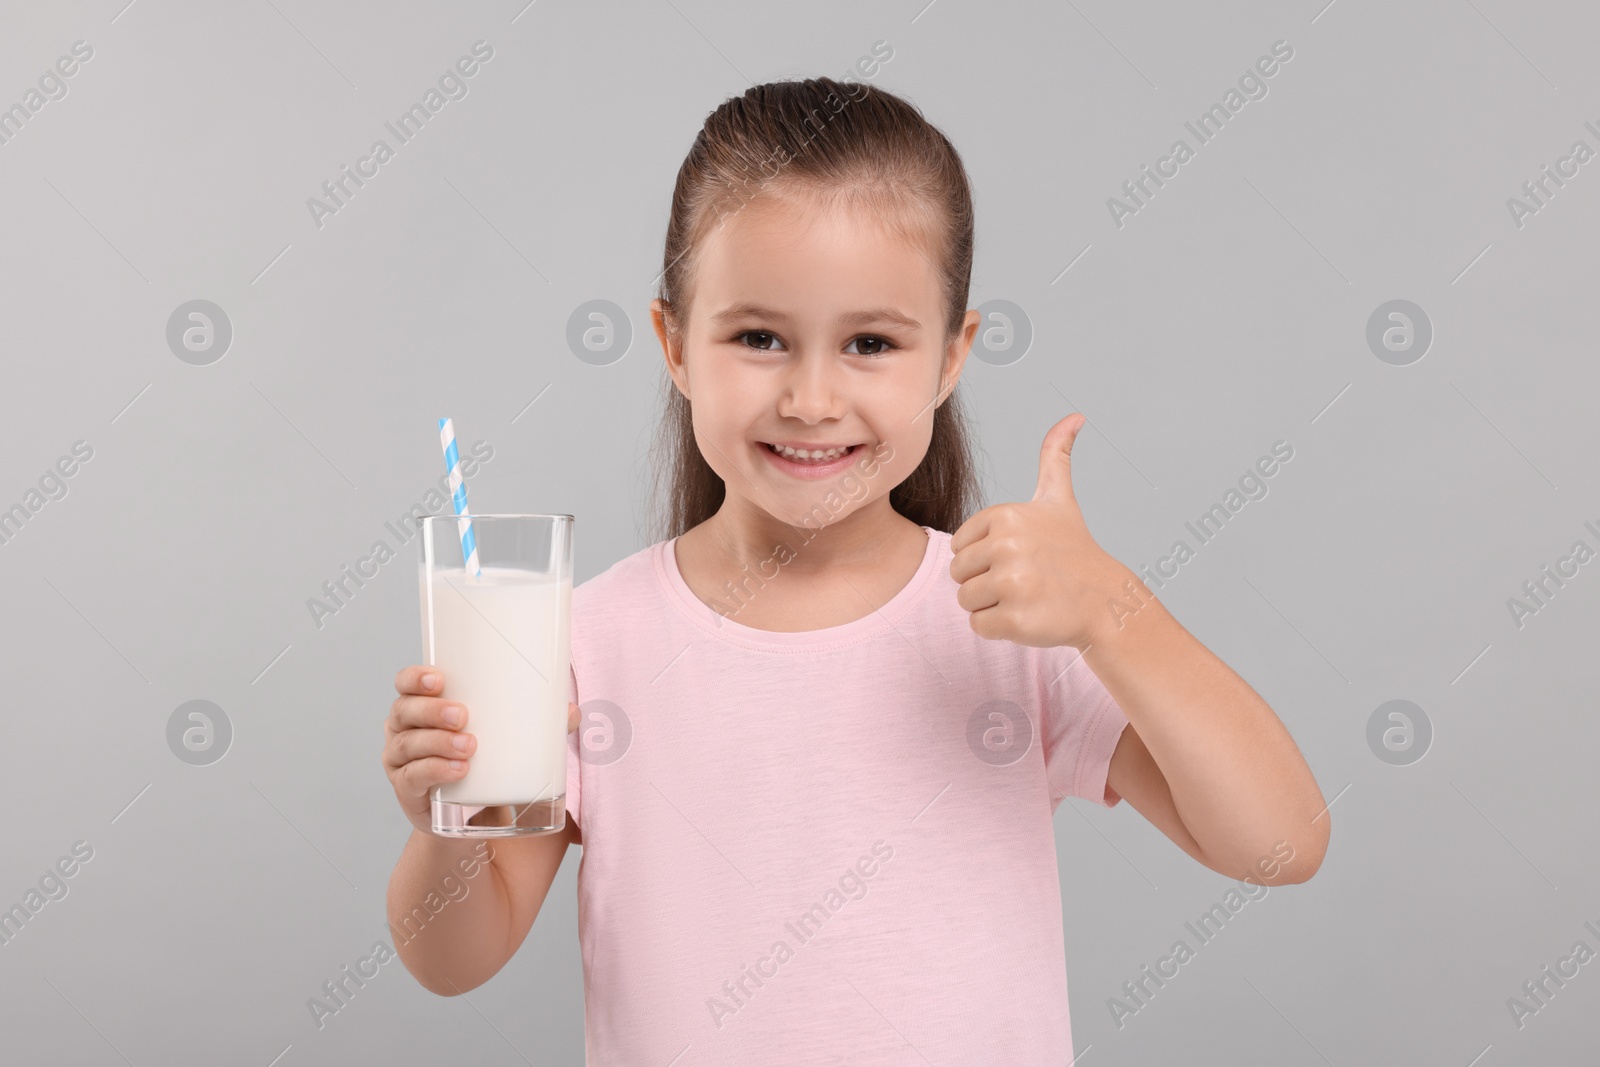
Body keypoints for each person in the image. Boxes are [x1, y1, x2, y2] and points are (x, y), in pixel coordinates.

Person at [382, 76, 1328, 1062]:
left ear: (951, 356)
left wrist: (1114, 612)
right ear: (673, 343)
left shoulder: (1005, 624)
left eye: (871, 342)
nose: (811, 396)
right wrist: (446, 818)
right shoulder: (588, 642)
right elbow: (455, 957)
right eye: (757, 337)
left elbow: (1279, 841)